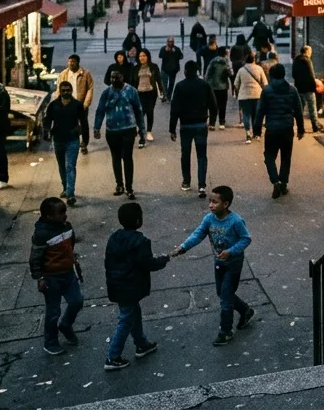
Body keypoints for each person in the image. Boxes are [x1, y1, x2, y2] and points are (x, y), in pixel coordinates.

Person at [170, 186, 256, 346]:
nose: (210, 205)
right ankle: (245, 311)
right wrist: (183, 247)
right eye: (210, 201)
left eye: (214, 202)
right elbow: (198, 234)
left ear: (226, 204)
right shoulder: (209, 219)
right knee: (222, 293)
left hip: (233, 263)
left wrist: (230, 251)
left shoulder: (236, 221)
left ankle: (226, 331)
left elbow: (246, 239)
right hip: (219, 263)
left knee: (225, 297)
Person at [103, 203, 169, 370]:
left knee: (133, 314)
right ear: (139, 220)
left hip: (117, 285)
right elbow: (149, 264)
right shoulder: (140, 241)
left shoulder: (114, 238)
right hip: (131, 287)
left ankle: (142, 344)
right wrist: (163, 259)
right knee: (126, 319)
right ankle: (113, 356)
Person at [29, 197, 82, 356]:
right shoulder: (42, 234)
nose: (64, 216)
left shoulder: (67, 227)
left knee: (77, 301)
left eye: (65, 212)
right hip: (51, 277)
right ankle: (50, 342)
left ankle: (65, 325)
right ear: (48, 216)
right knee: (53, 311)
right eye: (60, 213)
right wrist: (40, 278)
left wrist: (72, 260)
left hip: (68, 273)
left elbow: (70, 246)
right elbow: (35, 257)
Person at [254, 63, 304, 199]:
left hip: (272, 129)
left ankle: (275, 181)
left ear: (271, 76)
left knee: (269, 157)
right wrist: (301, 129)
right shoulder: (292, 90)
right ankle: (283, 183)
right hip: (287, 128)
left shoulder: (267, 91)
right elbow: (298, 111)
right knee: (286, 157)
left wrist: (257, 129)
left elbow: (260, 111)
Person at [94, 68, 145, 200]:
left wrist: (142, 130)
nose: (114, 80)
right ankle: (119, 185)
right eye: (112, 78)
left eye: (116, 77)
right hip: (112, 131)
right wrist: (96, 128)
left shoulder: (131, 91)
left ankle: (129, 187)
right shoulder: (107, 93)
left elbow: (138, 111)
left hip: (128, 129)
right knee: (115, 158)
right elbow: (100, 110)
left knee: (127, 157)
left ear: (122, 77)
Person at [170, 60, 218, 197]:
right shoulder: (204, 85)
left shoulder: (180, 86)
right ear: (197, 71)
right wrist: (212, 122)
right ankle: (202, 185)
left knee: (185, 154)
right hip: (201, 125)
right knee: (202, 156)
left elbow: (174, 110)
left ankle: (186, 181)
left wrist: (172, 129)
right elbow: (213, 105)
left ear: (185, 71)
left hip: (185, 126)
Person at [43, 80, 90, 206]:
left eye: (67, 90)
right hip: (58, 139)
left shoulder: (77, 105)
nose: (65, 92)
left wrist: (85, 140)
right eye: (63, 90)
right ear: (60, 91)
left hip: (72, 140)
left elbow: (84, 123)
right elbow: (47, 120)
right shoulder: (53, 105)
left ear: (71, 91)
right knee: (62, 165)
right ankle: (65, 187)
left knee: (70, 166)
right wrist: (46, 131)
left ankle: (70, 193)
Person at [234, 52, 268, 144]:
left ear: (246, 60)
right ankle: (256, 134)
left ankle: (248, 133)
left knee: (246, 114)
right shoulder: (259, 68)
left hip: (244, 96)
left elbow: (236, 84)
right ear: (254, 60)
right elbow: (265, 83)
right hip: (257, 95)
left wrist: (240, 90)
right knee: (256, 115)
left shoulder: (241, 70)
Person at [132, 49, 164, 142]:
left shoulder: (154, 67)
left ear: (147, 56)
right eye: (140, 56)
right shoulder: (135, 68)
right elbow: (132, 81)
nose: (142, 57)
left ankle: (149, 132)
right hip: (139, 93)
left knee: (150, 111)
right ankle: (138, 127)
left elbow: (158, 79)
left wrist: (161, 91)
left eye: (144, 56)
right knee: (141, 112)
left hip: (151, 93)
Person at [292, 45, 323, 133]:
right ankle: (315, 126)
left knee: (300, 108)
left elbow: (293, 74)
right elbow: (311, 74)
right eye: (310, 51)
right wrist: (314, 86)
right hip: (309, 88)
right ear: (306, 51)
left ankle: (300, 127)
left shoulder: (296, 60)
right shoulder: (307, 60)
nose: (311, 53)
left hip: (299, 87)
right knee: (312, 107)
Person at [205, 47, 235, 130]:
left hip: (212, 87)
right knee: (222, 105)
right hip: (223, 86)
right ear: (225, 53)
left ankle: (212, 123)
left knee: (212, 105)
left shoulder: (212, 61)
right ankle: (222, 123)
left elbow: (207, 74)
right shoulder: (226, 62)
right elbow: (230, 73)